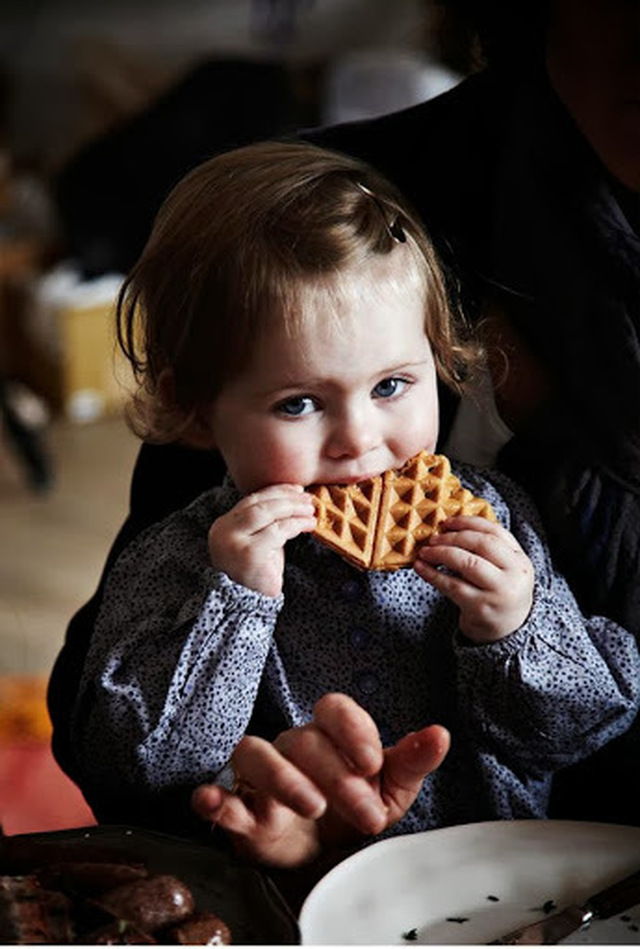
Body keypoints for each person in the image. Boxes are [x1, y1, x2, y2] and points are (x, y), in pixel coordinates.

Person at [49, 0, 640, 826]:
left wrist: (517, 625)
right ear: (192, 410)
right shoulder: (185, 559)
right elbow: (134, 763)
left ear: (445, 361)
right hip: (294, 890)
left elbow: (578, 730)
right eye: (298, 403)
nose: (361, 441)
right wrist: (236, 600)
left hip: (497, 894)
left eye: (393, 386)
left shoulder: (489, 524)